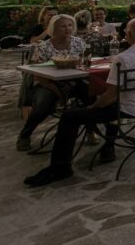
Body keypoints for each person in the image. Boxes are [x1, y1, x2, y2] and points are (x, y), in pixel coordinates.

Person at [23, 18, 135, 187]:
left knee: (69, 117)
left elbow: (109, 97)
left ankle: (60, 167)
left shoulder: (123, 58)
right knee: (103, 101)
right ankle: (108, 147)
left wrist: (93, 106)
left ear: (127, 34)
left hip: (130, 109)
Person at [16, 14, 87, 151]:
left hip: (74, 81)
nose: (68, 29)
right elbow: (37, 75)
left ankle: (90, 130)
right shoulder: (43, 47)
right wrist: (56, 90)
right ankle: (25, 135)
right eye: (63, 26)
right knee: (44, 101)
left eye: (70, 25)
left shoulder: (79, 42)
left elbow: (84, 63)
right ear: (53, 29)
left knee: (89, 94)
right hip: (47, 83)